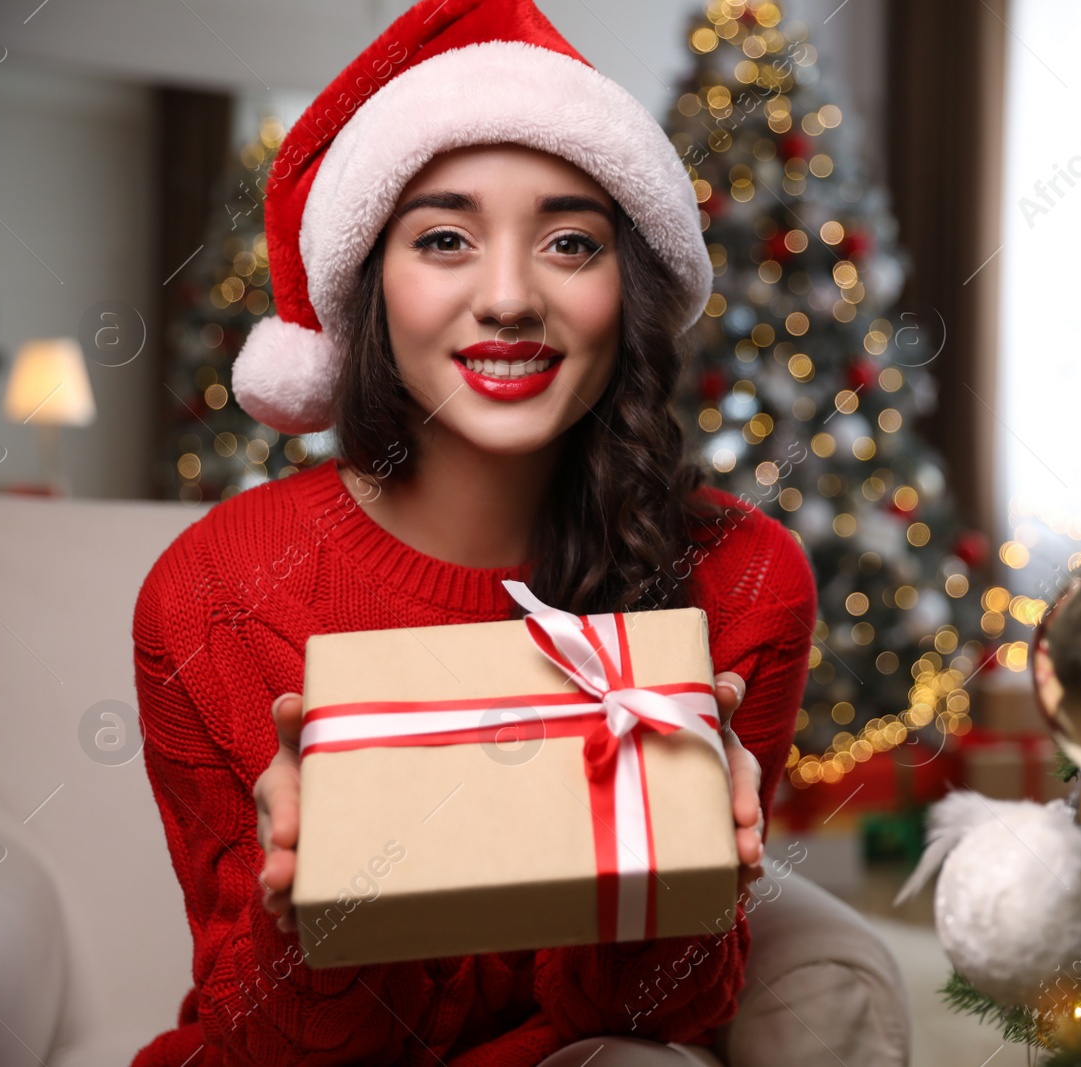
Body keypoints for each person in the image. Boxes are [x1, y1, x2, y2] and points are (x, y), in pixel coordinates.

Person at [130, 1, 818, 1064]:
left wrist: (682, 878)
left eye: (570, 242)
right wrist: (311, 907)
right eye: (444, 238)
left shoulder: (743, 579)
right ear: (369, 287)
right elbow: (269, 1044)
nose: (508, 296)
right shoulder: (218, 591)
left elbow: (654, 1021)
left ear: (625, 288)